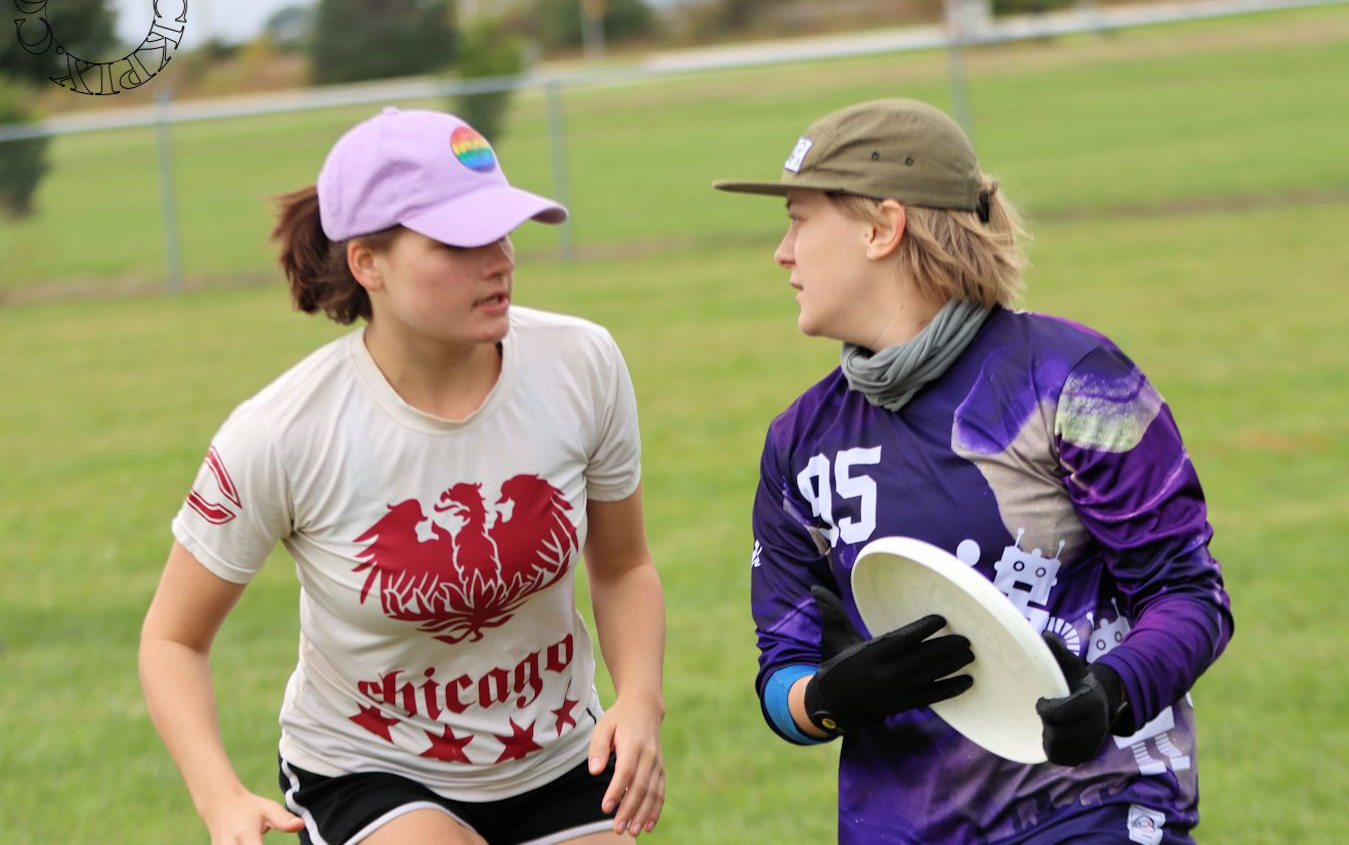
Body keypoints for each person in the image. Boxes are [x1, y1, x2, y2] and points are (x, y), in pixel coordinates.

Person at [139, 107, 665, 845]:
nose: (500, 259)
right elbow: (172, 640)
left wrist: (638, 700)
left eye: (503, 230)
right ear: (367, 263)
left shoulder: (583, 363)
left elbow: (623, 565)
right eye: (460, 241)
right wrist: (220, 797)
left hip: (553, 756)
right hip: (367, 769)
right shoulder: (282, 432)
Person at [713, 99, 1232, 844]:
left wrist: (1111, 691)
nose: (782, 252)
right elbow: (780, 674)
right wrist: (827, 698)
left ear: (882, 227)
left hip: (1092, 810)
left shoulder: (1073, 381)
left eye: (799, 220)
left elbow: (1188, 594)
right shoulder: (800, 442)